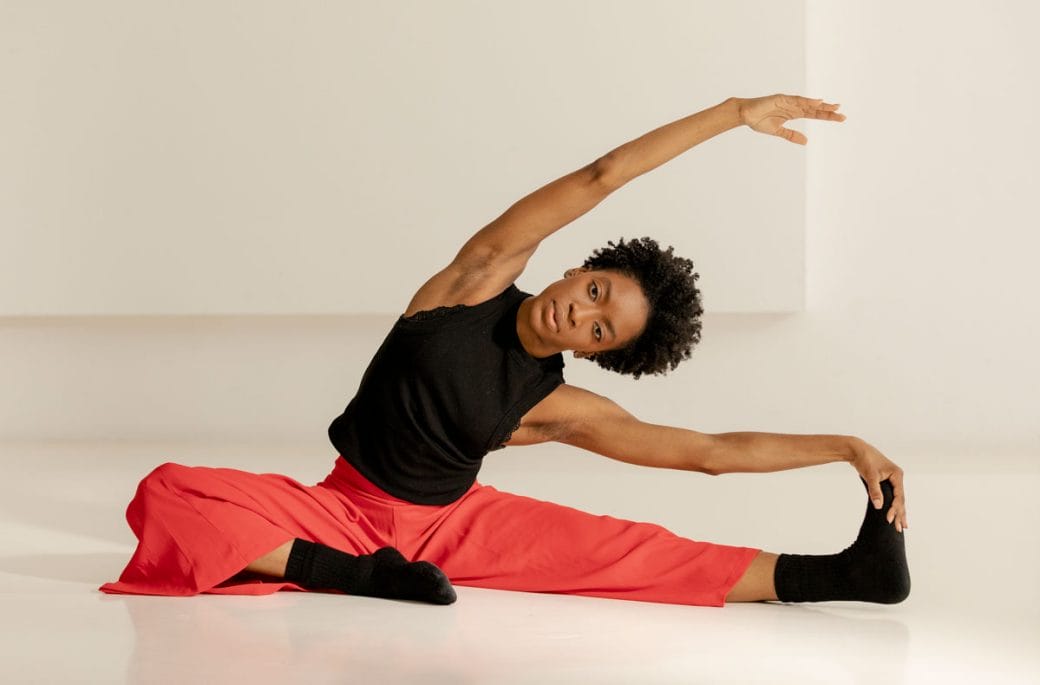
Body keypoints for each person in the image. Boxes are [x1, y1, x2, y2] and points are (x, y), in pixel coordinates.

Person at [100, 94, 909, 607]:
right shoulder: (475, 279)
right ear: (581, 265)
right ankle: (350, 575)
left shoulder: (555, 404)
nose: (578, 315)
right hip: (338, 510)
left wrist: (846, 447)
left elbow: (707, 453)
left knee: (633, 554)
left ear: (599, 355)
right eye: (596, 291)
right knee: (170, 491)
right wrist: (732, 113)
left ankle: (846, 576)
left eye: (600, 330)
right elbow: (599, 176)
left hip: (450, 526)